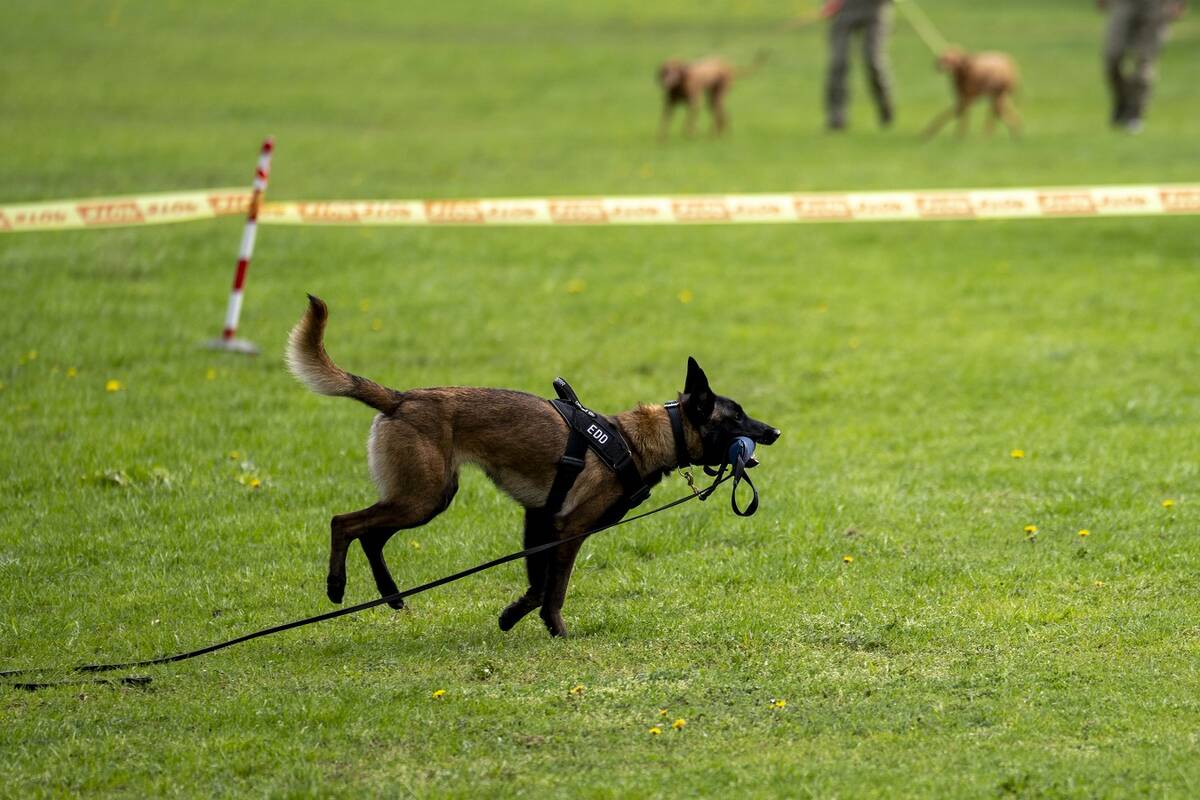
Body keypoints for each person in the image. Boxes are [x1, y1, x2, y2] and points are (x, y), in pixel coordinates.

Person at [1099, 0, 1187, 132]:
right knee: (1113, 56)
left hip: (1156, 6)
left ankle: (1135, 114)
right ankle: (1123, 101)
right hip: (1123, 4)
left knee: (1144, 63)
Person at [823, 0, 895, 131]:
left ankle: (885, 106)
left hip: (874, 9)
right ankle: (836, 117)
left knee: (873, 61)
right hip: (844, 9)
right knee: (838, 62)